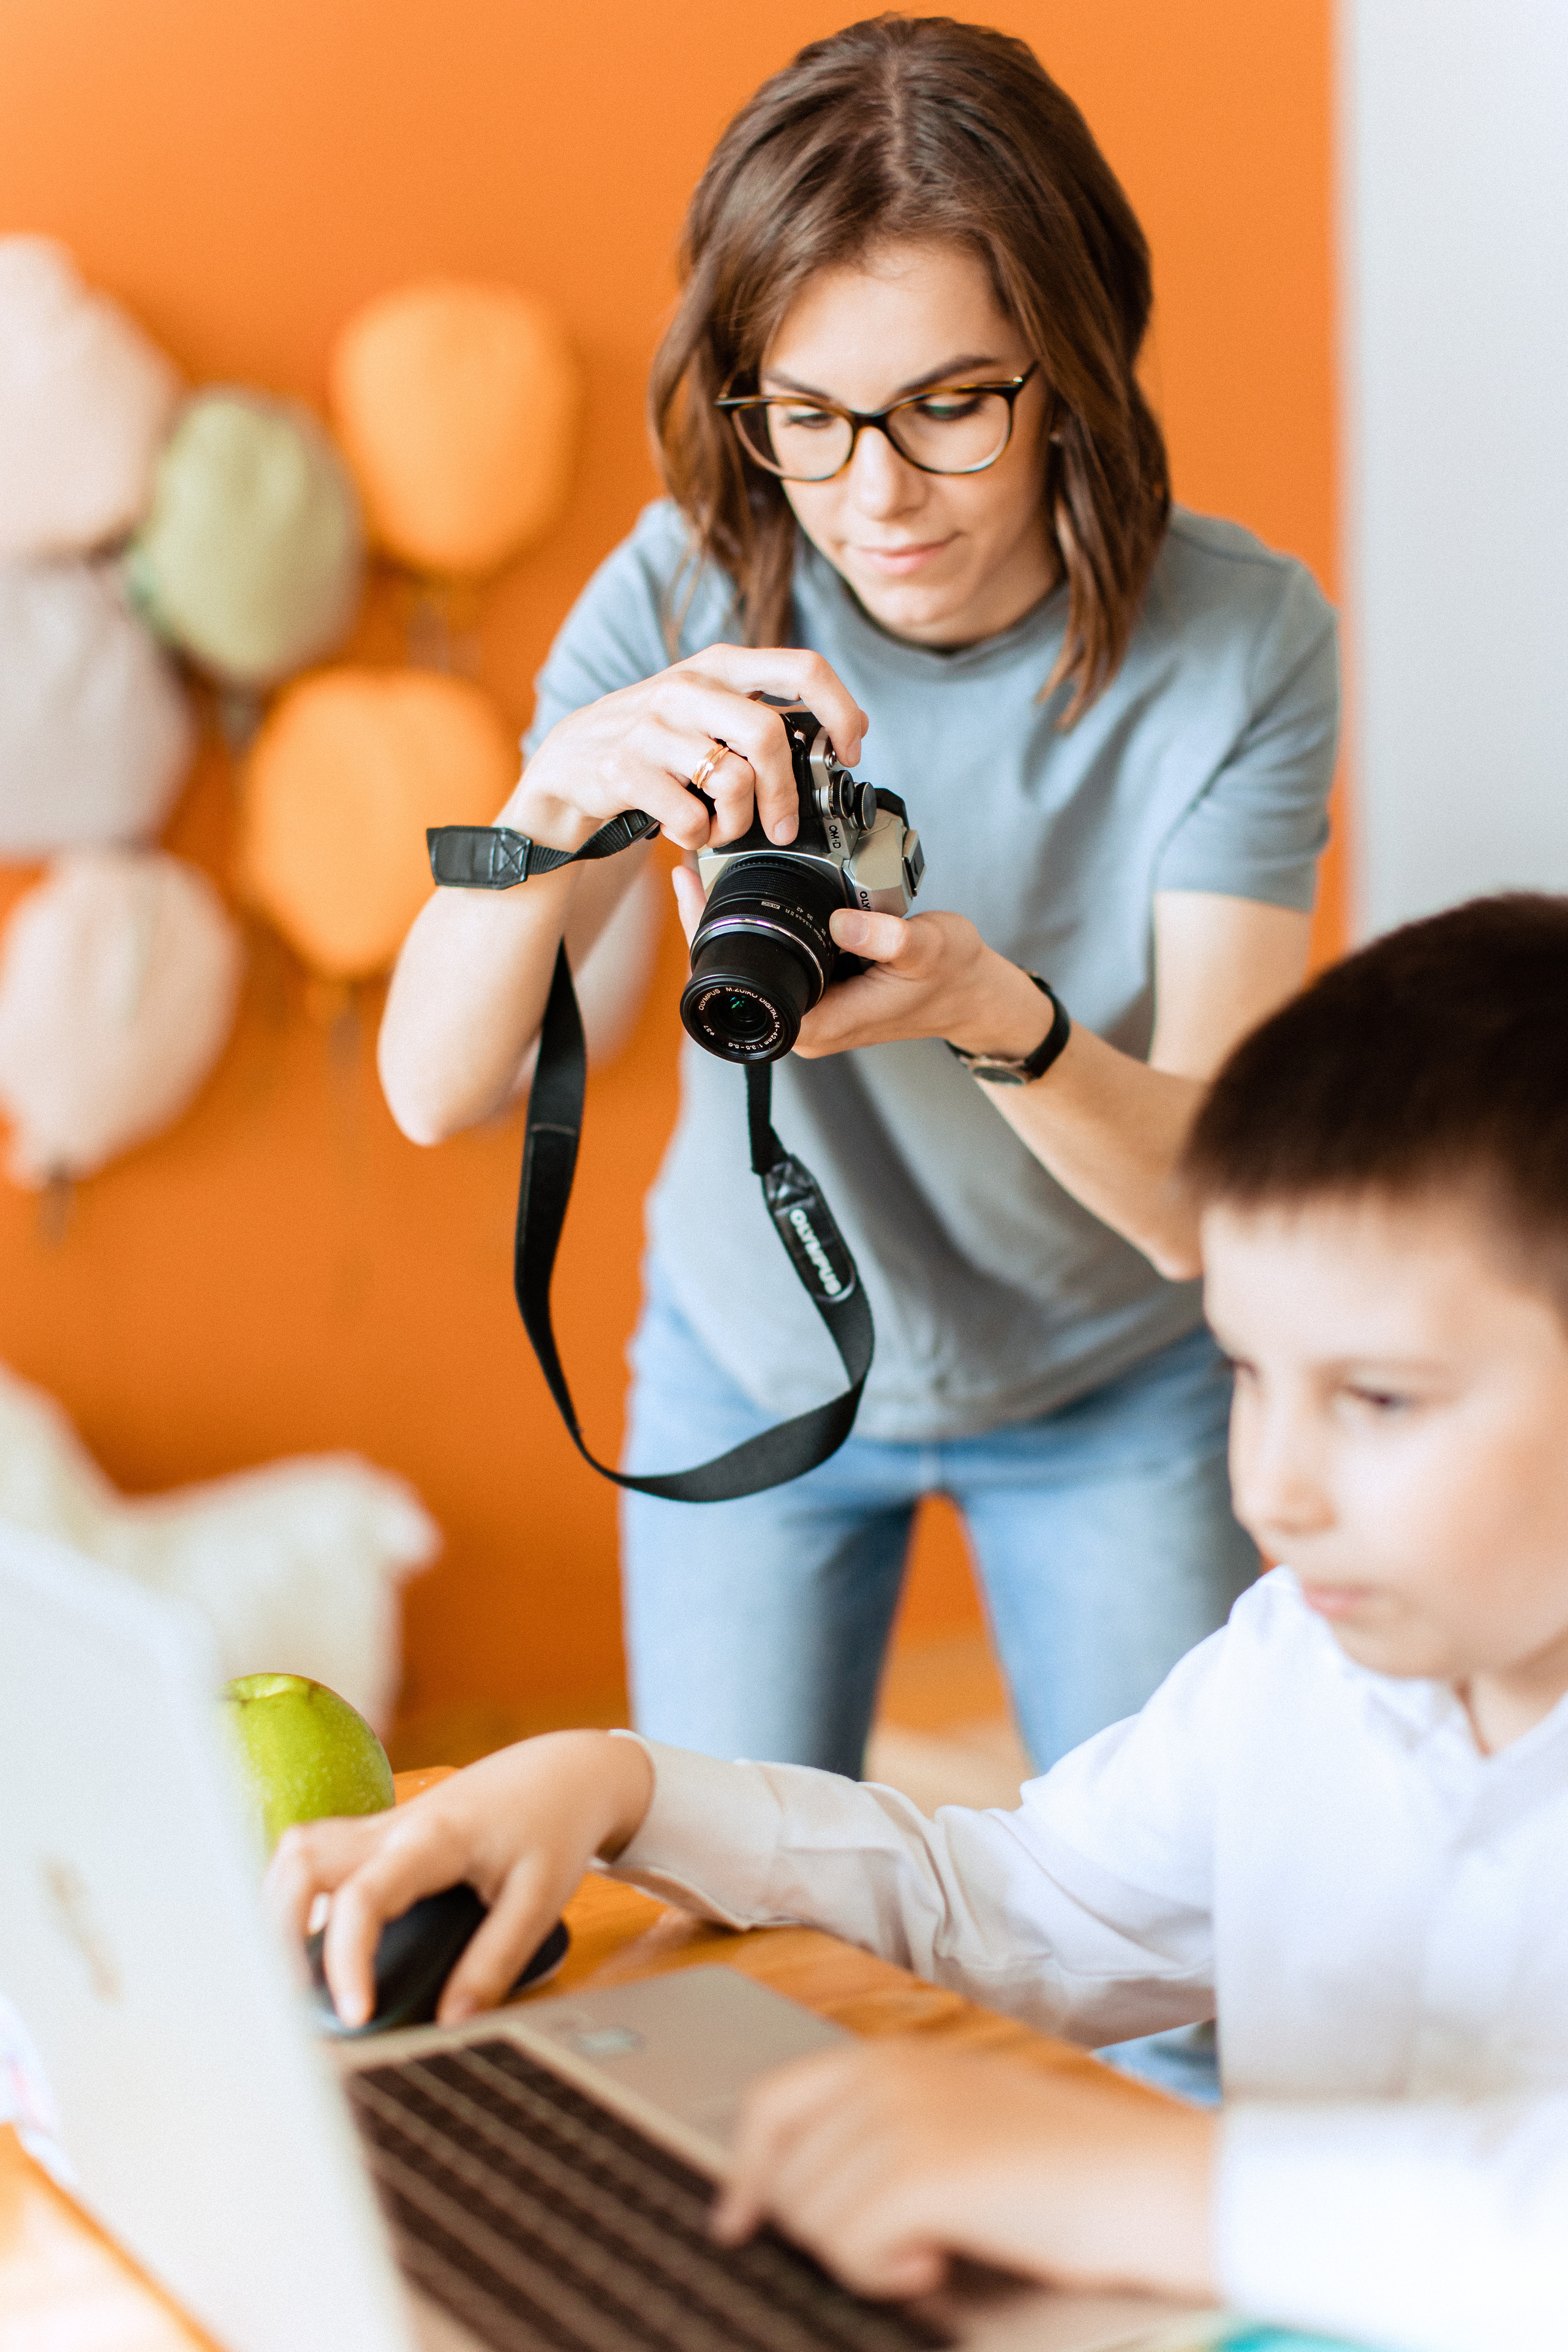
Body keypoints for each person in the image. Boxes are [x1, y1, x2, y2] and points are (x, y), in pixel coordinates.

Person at [284, 894, 1568, 2351]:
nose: (1271, 1486)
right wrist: (618, 1787)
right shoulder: (1298, 1664)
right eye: (1246, 1377)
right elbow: (1020, 1913)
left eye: (1378, 1399)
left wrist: (1141, 2184)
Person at [380, 15, 1339, 1776]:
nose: (875, 499)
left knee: (1177, 1928)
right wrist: (554, 795)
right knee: (739, 1918)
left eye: (949, 406)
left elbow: (1207, 1215)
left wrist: (991, 1014)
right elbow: (436, 1090)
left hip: (1111, 1374)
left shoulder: (1240, 643)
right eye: (808, 420)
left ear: (1074, 364)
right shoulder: (683, 593)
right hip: (752, 1344)